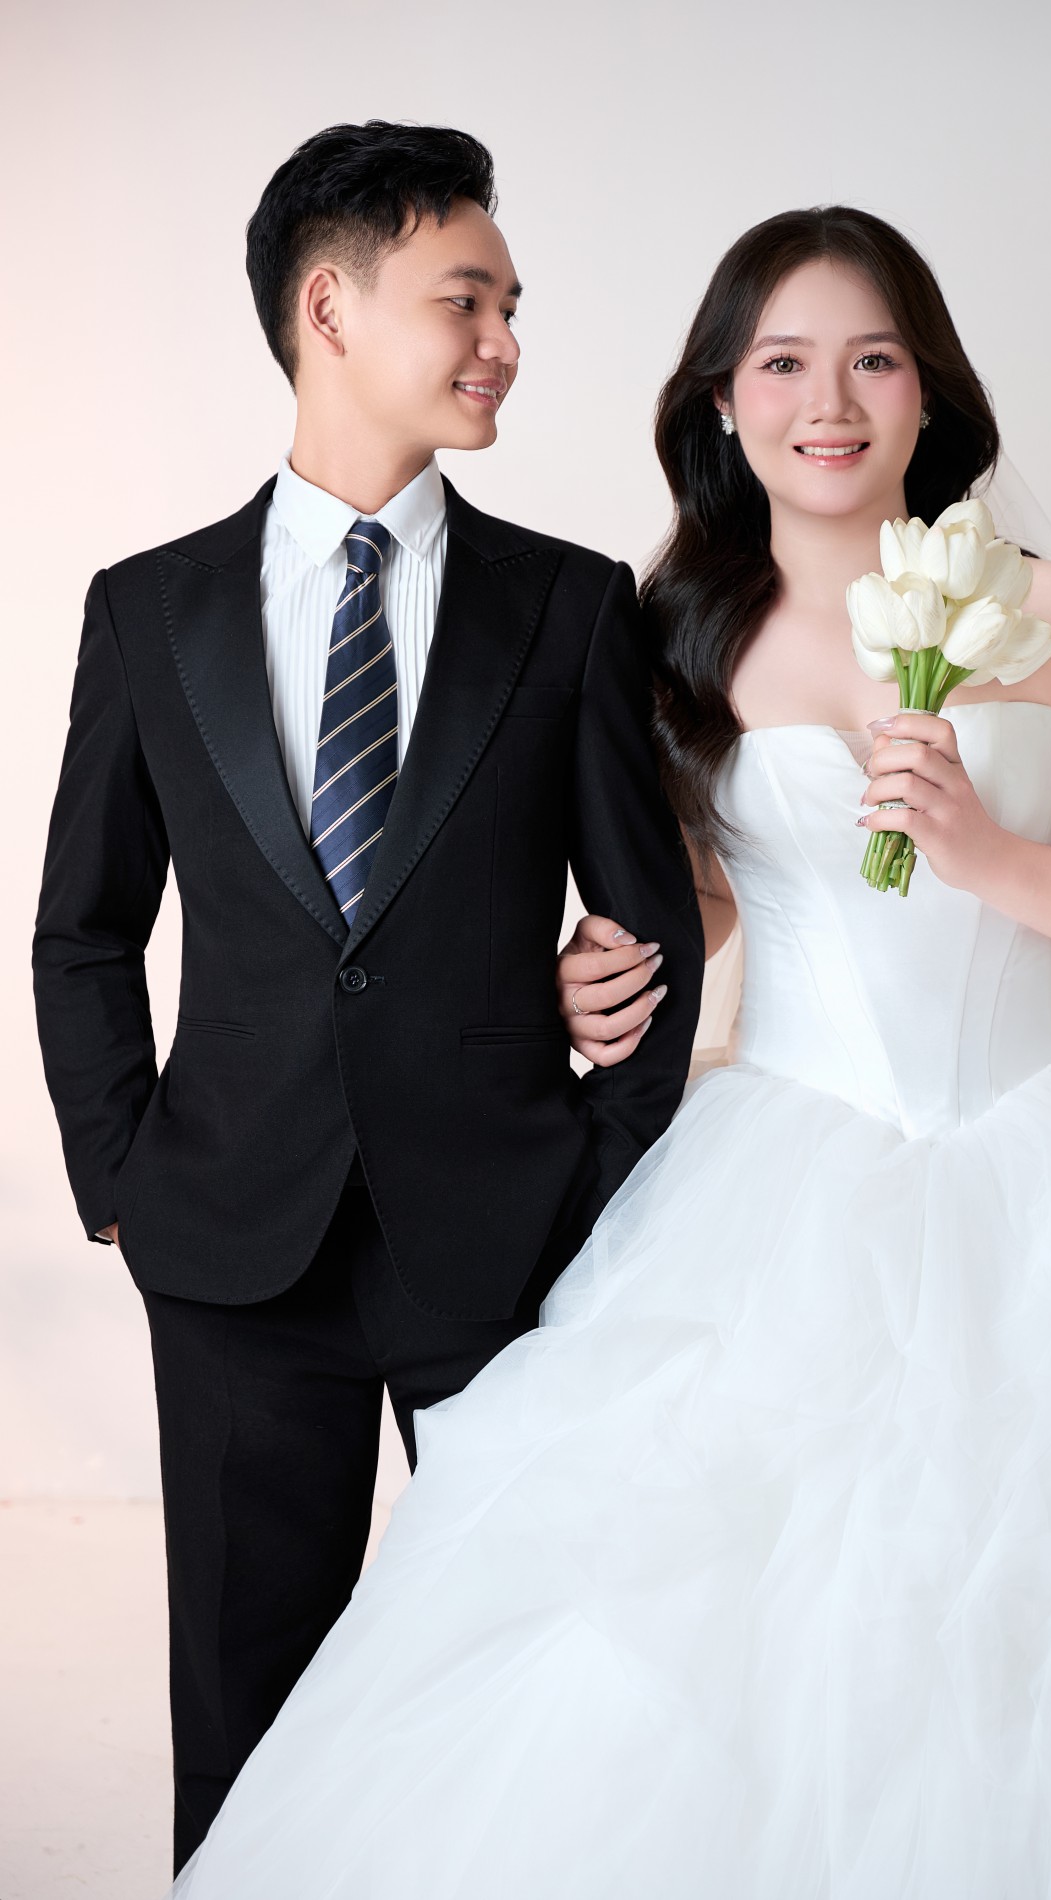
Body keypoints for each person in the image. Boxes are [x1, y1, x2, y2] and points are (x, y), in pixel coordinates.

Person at [167, 206, 1051, 1897]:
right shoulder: (669, 632)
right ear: (724, 400)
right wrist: (582, 972)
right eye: (784, 363)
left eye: (873, 360)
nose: (830, 402)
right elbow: (699, 900)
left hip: (1050, 1157)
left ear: (927, 391)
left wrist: (979, 849)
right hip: (789, 1171)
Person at [30, 119, 703, 1874]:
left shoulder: (567, 607)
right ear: (329, 310)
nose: (505, 342)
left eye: (512, 306)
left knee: (537, 1696)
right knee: (244, 1717)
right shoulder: (149, 611)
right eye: (465, 300)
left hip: (505, 1244)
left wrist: (601, 1180)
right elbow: (83, 930)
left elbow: (653, 921)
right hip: (229, 1249)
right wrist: (124, 1185)